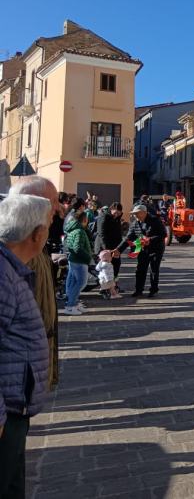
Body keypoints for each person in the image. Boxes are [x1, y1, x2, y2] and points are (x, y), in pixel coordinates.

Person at [0, 194, 52, 498]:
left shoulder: (12, 269)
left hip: (15, 402)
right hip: (6, 410)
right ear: (37, 234)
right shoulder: (3, 275)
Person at [9, 177, 62, 391]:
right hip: (16, 376)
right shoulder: (14, 251)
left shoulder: (35, 242)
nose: (58, 208)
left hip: (31, 366)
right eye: (53, 201)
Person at [120, 204, 166, 298]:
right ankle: (138, 290)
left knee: (154, 269)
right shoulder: (135, 223)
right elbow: (128, 238)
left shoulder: (155, 220)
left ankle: (153, 289)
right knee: (140, 269)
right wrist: (118, 250)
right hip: (142, 248)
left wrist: (150, 239)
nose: (135, 216)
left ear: (144, 213)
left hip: (156, 248)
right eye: (134, 214)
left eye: (137, 213)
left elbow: (163, 234)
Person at [61, 209, 93, 316]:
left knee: (73, 283)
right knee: (81, 283)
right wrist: (88, 257)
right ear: (84, 220)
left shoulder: (72, 229)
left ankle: (72, 303)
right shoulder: (79, 231)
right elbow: (77, 248)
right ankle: (71, 305)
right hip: (79, 261)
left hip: (73, 260)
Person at [94, 202, 124, 282]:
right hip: (104, 248)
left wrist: (119, 248)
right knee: (105, 269)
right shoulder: (104, 217)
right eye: (115, 212)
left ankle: (113, 286)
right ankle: (105, 288)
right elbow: (101, 234)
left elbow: (119, 235)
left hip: (114, 248)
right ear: (111, 210)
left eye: (119, 212)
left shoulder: (117, 219)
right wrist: (106, 249)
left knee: (116, 266)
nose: (117, 214)